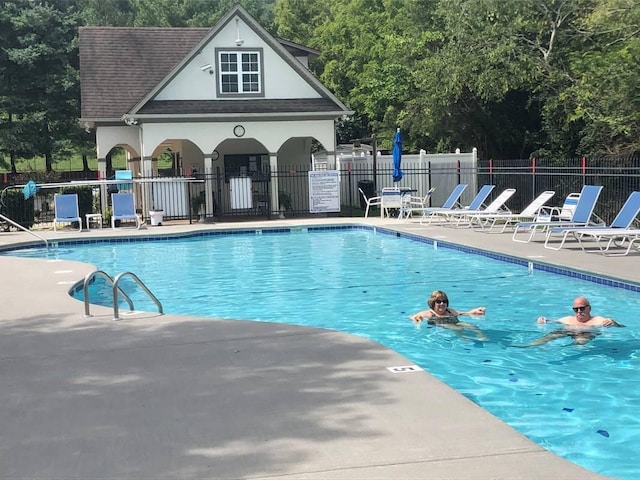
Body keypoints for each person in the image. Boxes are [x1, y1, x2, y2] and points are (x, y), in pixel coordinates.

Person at [526, 296, 623, 346]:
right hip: (568, 330)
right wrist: (541, 320)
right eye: (576, 309)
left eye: (582, 308)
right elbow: (548, 321)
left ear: (589, 308)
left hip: (586, 333)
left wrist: (614, 323)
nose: (579, 312)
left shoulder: (597, 320)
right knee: (549, 337)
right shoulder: (568, 319)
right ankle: (529, 346)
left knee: (580, 344)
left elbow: (620, 327)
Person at [410, 290, 488, 341]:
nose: (442, 304)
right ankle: (464, 338)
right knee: (456, 328)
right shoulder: (428, 313)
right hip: (441, 323)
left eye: (444, 301)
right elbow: (414, 317)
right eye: (438, 301)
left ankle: (481, 336)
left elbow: (463, 313)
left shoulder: (450, 311)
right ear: (433, 303)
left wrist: (474, 312)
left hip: (454, 321)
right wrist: (418, 322)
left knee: (469, 325)